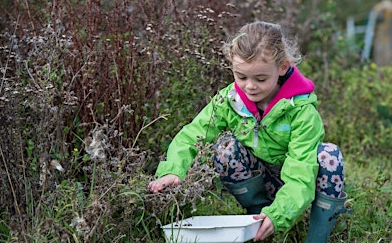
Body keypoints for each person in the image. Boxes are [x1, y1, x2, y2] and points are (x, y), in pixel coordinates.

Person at [148, 21, 348, 242]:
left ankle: (315, 236)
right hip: (263, 180)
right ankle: (257, 222)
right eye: (241, 77)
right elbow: (193, 135)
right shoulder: (229, 100)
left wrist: (280, 213)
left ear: (282, 67)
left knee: (329, 156)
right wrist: (174, 169)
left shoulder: (301, 111)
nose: (250, 86)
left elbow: (301, 172)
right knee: (226, 149)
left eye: (260, 79)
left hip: (300, 187)